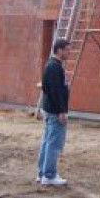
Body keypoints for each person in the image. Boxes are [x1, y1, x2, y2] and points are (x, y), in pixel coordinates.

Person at [37, 38, 71, 186]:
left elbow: (45, 87)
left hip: (50, 109)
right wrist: (61, 112)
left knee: (47, 142)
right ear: (60, 50)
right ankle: (49, 175)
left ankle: (42, 173)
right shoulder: (54, 67)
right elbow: (56, 91)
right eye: (67, 49)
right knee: (53, 143)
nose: (69, 52)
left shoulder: (52, 66)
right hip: (55, 112)